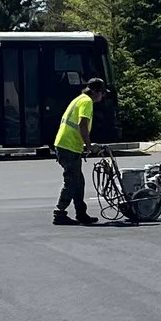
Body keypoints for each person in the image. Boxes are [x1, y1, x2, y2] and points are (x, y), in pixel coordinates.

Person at [51, 76, 110, 226]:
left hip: (67, 145)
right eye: (102, 93)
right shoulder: (86, 102)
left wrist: (83, 145)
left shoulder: (79, 99)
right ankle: (59, 213)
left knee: (79, 182)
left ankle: (81, 214)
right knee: (72, 181)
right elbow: (82, 124)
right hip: (68, 146)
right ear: (95, 91)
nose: (102, 97)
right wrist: (89, 146)